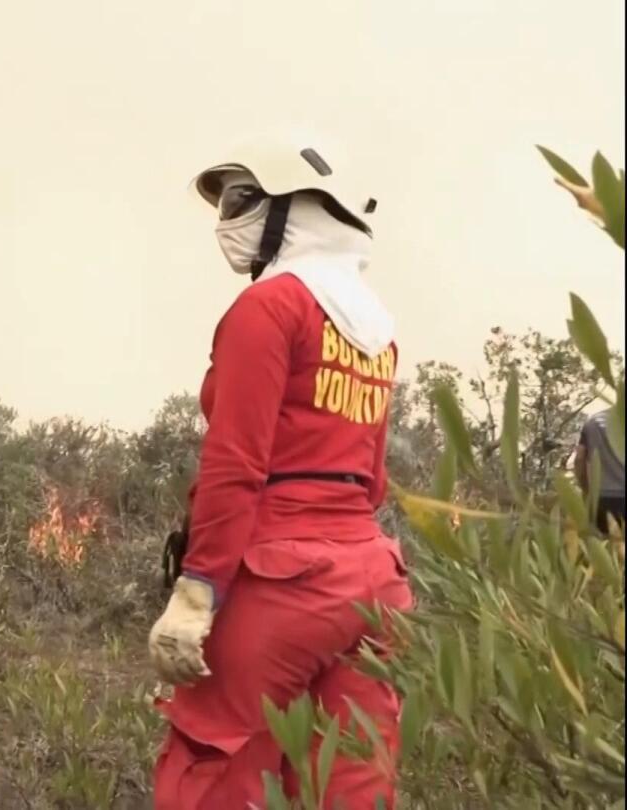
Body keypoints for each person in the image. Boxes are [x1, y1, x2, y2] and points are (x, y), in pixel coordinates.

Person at [148, 133, 412, 809]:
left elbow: (235, 462)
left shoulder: (268, 308)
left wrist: (197, 590)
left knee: (215, 767)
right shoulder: (374, 326)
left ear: (293, 212)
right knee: (352, 780)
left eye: (243, 200)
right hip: (370, 581)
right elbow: (372, 478)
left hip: (279, 575)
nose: (226, 221)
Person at [574, 408, 625, 534]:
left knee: (606, 549)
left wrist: (586, 490)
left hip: (602, 499)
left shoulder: (594, 422)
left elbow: (579, 458)